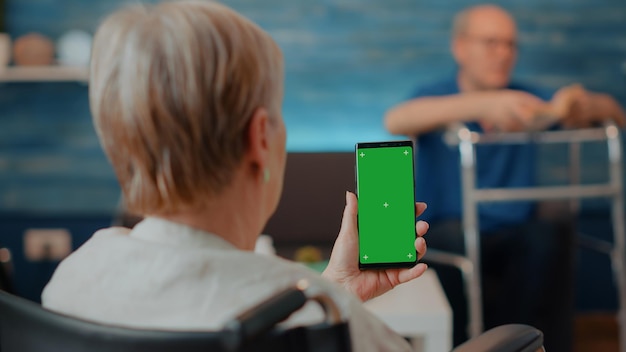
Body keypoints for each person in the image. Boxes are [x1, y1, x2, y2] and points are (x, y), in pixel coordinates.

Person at [41, 1, 431, 351]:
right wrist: (332, 300)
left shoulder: (75, 276)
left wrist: (336, 288)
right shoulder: (325, 318)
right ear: (260, 137)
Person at [384, 4, 625, 352]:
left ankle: (514, 344)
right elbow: (396, 120)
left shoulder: (525, 100)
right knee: (450, 240)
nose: (504, 54)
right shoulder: (436, 95)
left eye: (511, 45)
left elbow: (614, 113)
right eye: (492, 43)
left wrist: (585, 105)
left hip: (513, 230)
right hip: (450, 229)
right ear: (461, 47)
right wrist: (482, 105)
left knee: (545, 237)